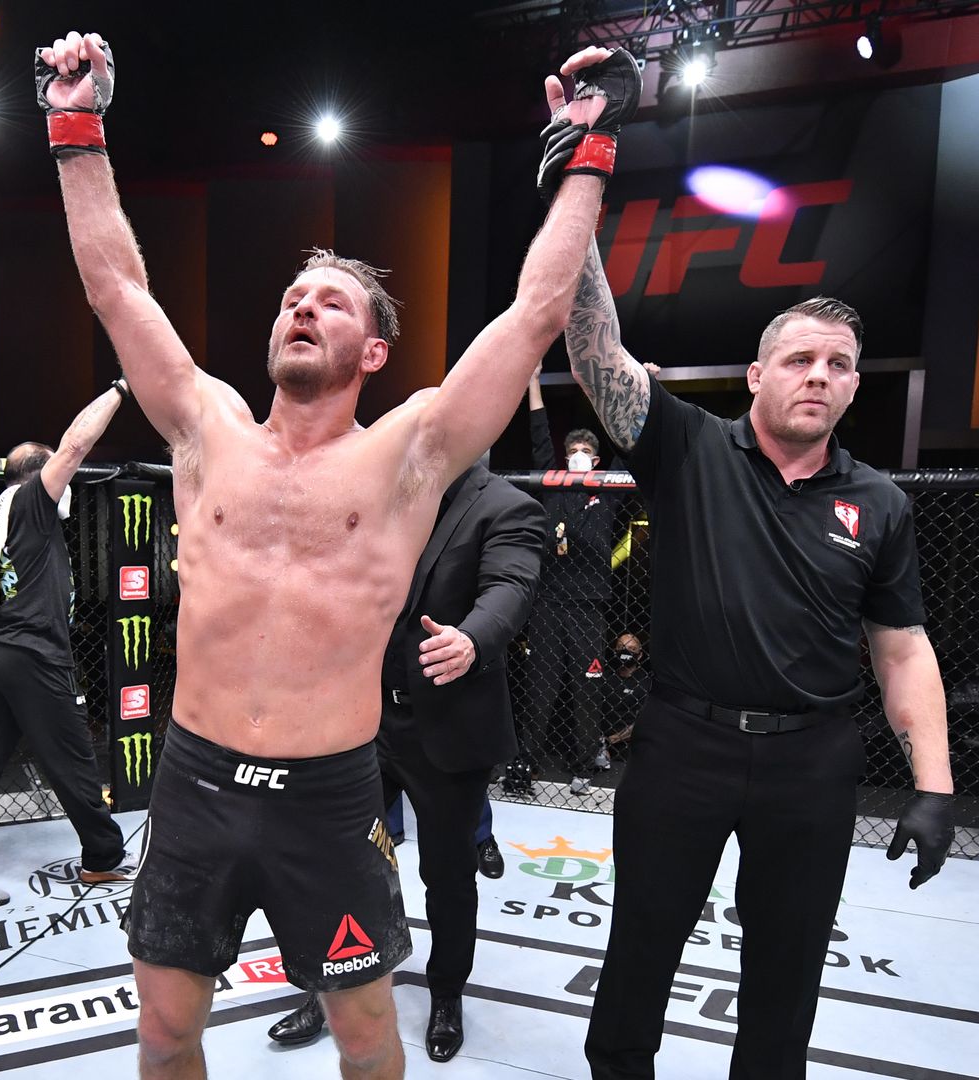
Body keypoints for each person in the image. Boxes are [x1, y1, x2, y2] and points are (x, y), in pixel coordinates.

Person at [39, 29, 632, 1079]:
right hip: (195, 782)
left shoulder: (408, 455)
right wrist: (76, 128)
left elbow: (538, 315)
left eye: (331, 302)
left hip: (328, 795)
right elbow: (117, 290)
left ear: (373, 352)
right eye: (291, 298)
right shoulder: (204, 429)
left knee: (368, 1039)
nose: (301, 306)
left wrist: (586, 154)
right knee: (166, 1032)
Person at [560, 243, 956, 1079]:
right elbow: (595, 350)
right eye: (799, 359)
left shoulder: (878, 501)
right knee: (641, 946)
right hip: (681, 744)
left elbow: (901, 645)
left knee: (788, 969)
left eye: (837, 364)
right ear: (755, 375)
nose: (818, 374)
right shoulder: (688, 447)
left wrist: (934, 786)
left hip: (810, 760)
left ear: (853, 386)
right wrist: (581, 195)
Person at [266, 454, 544, 1060]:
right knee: (339, 860)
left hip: (445, 726)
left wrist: (472, 638)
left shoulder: (505, 506)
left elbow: (510, 586)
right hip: (364, 719)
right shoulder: (386, 501)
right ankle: (326, 984)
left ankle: (446, 991)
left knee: (446, 873)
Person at [0, 383, 139, 909]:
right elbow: (74, 446)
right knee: (73, 760)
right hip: (35, 658)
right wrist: (121, 388)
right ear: (45, 482)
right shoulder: (32, 505)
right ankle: (103, 860)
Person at [516, 375, 628, 799]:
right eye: (573, 453)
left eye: (586, 453)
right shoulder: (553, 488)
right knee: (540, 686)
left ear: (596, 463)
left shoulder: (608, 491)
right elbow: (539, 434)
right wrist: (532, 383)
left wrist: (640, 394)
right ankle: (525, 761)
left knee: (587, 686)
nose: (579, 457)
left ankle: (584, 764)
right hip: (549, 602)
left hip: (589, 606)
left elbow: (627, 444)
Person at [599, 631, 650, 757]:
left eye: (632, 649)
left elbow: (645, 721)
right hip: (597, 742)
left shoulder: (646, 682)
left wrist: (610, 740)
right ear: (614, 651)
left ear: (639, 655)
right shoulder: (604, 676)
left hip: (630, 747)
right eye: (621, 648)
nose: (626, 652)